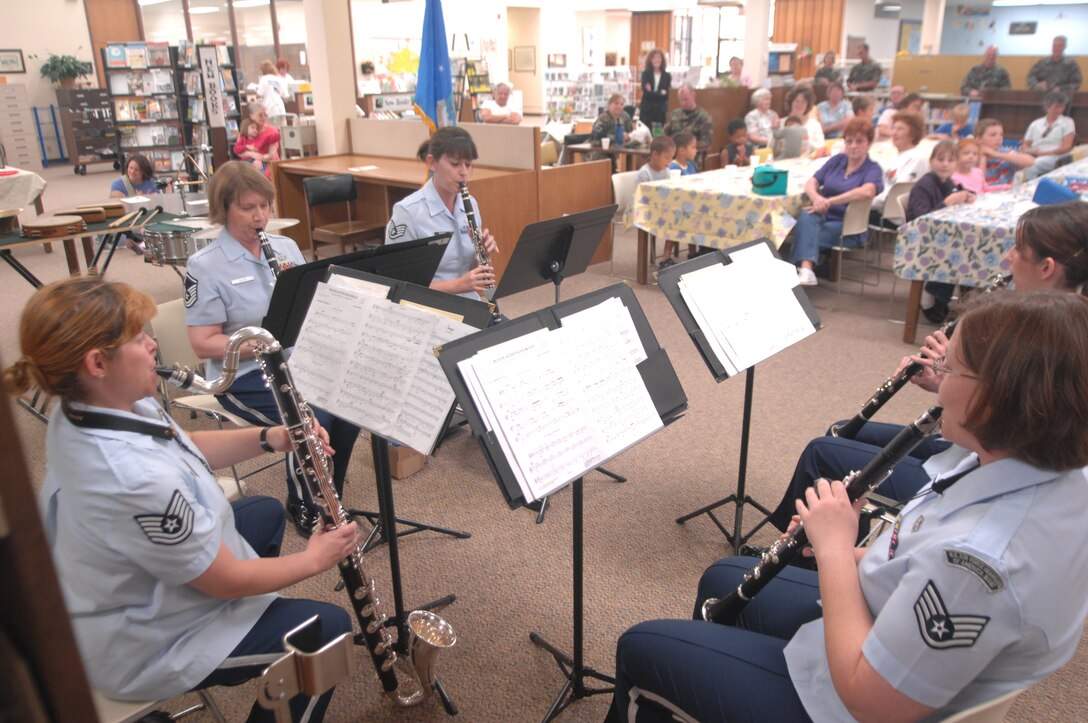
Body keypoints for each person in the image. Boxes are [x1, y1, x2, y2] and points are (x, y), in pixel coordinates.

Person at [611, 289, 1088, 723]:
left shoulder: (981, 565)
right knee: (724, 576)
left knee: (640, 646)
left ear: (995, 396)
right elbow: (921, 555)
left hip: (851, 699)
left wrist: (838, 548)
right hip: (892, 620)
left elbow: (870, 699)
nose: (938, 382)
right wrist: (833, 544)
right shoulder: (1036, 463)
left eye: (950, 369)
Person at [4, 277, 359, 722]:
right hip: (143, 642)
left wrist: (273, 437)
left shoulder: (93, 403)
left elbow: (182, 443)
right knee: (328, 633)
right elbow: (223, 581)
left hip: (123, 582)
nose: (152, 344)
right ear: (97, 362)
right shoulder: (131, 478)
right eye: (137, 338)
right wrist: (316, 558)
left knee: (264, 513)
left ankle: (255, 629)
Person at [766, 200, 1088, 534]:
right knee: (842, 430)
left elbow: (1013, 426)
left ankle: (809, 550)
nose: (1007, 257)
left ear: (1047, 267)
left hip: (971, 469)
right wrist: (944, 379)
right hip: (962, 447)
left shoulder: (1043, 339)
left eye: (1018, 250)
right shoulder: (1049, 320)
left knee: (822, 451)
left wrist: (957, 370)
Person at [184, 162, 360, 538]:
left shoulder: (286, 247)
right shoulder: (205, 265)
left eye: (264, 206)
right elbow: (203, 343)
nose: (260, 216)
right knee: (313, 419)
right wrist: (263, 343)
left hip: (297, 363)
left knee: (350, 407)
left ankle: (331, 494)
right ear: (224, 209)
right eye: (248, 208)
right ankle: (305, 503)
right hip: (242, 375)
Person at [385, 126, 498, 301]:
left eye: (468, 165)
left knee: (518, 328)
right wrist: (458, 285)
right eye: (455, 164)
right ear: (432, 163)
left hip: (468, 302)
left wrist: (483, 254)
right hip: (427, 309)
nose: (463, 172)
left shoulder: (470, 205)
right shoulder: (407, 212)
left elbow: (470, 271)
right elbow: (397, 284)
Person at [788, 118, 883, 287]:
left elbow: (867, 191)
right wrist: (817, 199)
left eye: (859, 141)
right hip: (823, 218)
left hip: (849, 226)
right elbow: (811, 182)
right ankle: (806, 270)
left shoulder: (872, 169)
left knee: (803, 232)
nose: (853, 145)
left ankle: (800, 271)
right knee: (806, 216)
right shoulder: (837, 160)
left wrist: (830, 201)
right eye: (849, 141)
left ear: (869, 144)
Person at [908, 141, 978, 324]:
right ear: (931, 161)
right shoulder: (924, 186)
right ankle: (935, 293)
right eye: (940, 159)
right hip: (922, 240)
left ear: (956, 164)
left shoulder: (949, 182)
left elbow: (960, 192)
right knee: (960, 251)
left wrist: (966, 195)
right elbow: (923, 221)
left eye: (950, 160)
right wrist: (949, 201)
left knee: (969, 245)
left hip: (943, 238)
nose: (945, 164)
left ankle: (963, 299)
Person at [872, 112, 929, 223]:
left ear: (913, 134)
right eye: (893, 128)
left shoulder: (917, 158)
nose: (894, 133)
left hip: (893, 216)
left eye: (900, 129)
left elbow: (894, 193)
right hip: (880, 207)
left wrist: (865, 204)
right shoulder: (896, 156)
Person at [1022, 91, 1076, 180]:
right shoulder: (1035, 123)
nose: (1060, 110)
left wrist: (1045, 153)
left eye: (1062, 106)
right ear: (1047, 108)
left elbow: (1067, 147)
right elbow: (1024, 146)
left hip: (1055, 156)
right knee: (1014, 163)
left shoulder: (1067, 122)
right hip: (1034, 155)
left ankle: (1033, 190)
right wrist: (1032, 151)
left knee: (1031, 165)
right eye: (1056, 107)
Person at [667, 133, 701, 262]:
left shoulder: (691, 165)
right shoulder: (673, 167)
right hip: (675, 206)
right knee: (688, 217)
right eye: (693, 147)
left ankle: (693, 252)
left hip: (689, 204)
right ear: (681, 150)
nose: (696, 150)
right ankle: (666, 257)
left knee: (698, 214)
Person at [975, 118, 1033, 190]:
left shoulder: (1005, 152)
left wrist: (997, 154)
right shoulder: (972, 156)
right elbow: (979, 185)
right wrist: (983, 157)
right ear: (979, 139)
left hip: (1005, 194)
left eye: (1001, 134)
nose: (999, 138)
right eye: (993, 135)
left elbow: (1030, 161)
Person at [234, 102, 280, 179]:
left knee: (256, 172)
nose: (264, 117)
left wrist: (259, 159)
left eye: (265, 115)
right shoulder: (244, 131)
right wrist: (254, 156)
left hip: (267, 163)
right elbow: (239, 152)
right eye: (260, 115)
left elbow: (271, 155)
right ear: (251, 116)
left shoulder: (272, 131)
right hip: (248, 163)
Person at [665, 84, 712, 149]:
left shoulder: (703, 117)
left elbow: (707, 141)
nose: (684, 103)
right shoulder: (675, 114)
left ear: (693, 95)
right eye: (681, 100)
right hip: (674, 153)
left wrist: (688, 147)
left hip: (694, 154)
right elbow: (666, 135)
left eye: (686, 99)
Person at [784, 84, 824, 156]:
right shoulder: (780, 123)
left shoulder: (815, 125)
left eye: (803, 102)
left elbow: (820, 147)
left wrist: (804, 141)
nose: (800, 104)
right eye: (797, 101)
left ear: (808, 105)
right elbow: (771, 148)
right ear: (791, 102)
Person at [638, 48, 670, 130]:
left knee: (658, 136)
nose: (657, 60)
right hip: (647, 110)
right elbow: (646, 93)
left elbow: (666, 96)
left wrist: (652, 92)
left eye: (659, 57)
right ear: (650, 60)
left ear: (662, 60)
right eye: (654, 58)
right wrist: (660, 93)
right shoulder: (645, 74)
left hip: (660, 111)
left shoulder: (667, 76)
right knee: (645, 134)